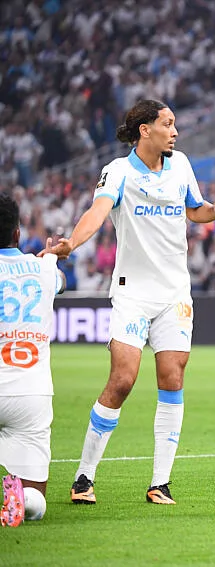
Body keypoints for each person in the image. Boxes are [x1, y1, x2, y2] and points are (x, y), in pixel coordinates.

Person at [39, 99, 215, 505]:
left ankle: (160, 482)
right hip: (132, 293)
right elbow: (97, 212)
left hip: (174, 295)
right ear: (145, 130)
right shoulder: (118, 172)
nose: (175, 131)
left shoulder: (180, 165)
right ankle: (84, 477)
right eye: (168, 124)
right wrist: (71, 245)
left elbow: (194, 210)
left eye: (175, 125)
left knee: (173, 378)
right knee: (123, 380)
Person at [0, 193, 66, 527]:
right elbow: (61, 283)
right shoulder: (42, 269)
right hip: (31, 393)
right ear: (16, 234)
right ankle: (21, 500)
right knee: (37, 500)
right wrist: (52, 256)